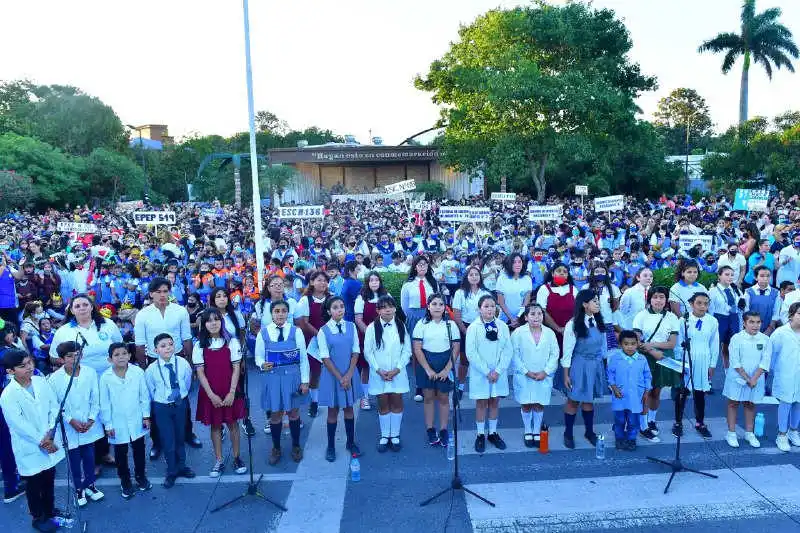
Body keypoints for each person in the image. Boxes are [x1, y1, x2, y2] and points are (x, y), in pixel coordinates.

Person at [133, 279, 199, 458]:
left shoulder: (179, 311)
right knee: (156, 403)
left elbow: (186, 338)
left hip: (177, 358)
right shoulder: (143, 315)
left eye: (165, 291)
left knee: (182, 398)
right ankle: (157, 442)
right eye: (159, 291)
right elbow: (139, 344)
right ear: (151, 293)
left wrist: (191, 366)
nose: (163, 295)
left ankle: (188, 434)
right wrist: (144, 367)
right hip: (154, 361)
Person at [0, 349, 64, 532]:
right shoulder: (8, 395)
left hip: (49, 438)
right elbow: (19, 424)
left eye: (30, 363)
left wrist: (51, 431)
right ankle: (38, 517)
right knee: (34, 484)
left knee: (49, 478)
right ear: (10, 371)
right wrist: (43, 441)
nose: (29, 368)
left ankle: (50, 510)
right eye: (22, 366)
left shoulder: (40, 381)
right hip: (30, 446)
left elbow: (54, 405)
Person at [49, 341, 105, 507]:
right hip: (70, 427)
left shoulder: (90, 372)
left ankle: (90, 485)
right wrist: (71, 421)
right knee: (74, 460)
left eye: (77, 354)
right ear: (61, 359)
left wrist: (92, 418)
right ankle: (78, 488)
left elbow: (96, 397)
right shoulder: (55, 379)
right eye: (69, 356)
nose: (74, 358)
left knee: (89, 457)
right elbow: (56, 404)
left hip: (88, 424)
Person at [193, 309, 247, 476]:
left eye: (216, 319)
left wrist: (232, 392)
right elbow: (200, 372)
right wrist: (211, 395)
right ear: (204, 325)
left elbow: (236, 368)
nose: (213, 323)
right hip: (211, 392)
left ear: (221, 322)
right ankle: (219, 459)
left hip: (229, 390)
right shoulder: (199, 345)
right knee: (216, 426)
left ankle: (237, 457)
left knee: (233, 424)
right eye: (209, 321)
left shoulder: (231, 342)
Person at [255, 300, 309, 465]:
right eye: (277, 311)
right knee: (276, 414)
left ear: (288, 313)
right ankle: (276, 447)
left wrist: (305, 381)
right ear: (271, 313)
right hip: (272, 378)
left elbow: (303, 358)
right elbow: (258, 356)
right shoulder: (263, 333)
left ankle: (296, 446)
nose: (280, 314)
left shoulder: (296, 331)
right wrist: (261, 364)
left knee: (293, 413)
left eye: (283, 311)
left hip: (292, 378)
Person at [99, 342, 152, 500]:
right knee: (121, 453)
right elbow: (104, 402)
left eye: (124, 353)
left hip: (137, 419)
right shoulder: (105, 377)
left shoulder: (137, 372)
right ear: (110, 359)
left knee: (139, 450)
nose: (121, 357)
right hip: (117, 423)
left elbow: (144, 396)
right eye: (116, 355)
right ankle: (125, 481)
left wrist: (146, 416)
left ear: (129, 355)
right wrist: (108, 424)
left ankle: (141, 476)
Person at [144, 333, 195, 488]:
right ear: (155, 350)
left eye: (170, 344)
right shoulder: (151, 369)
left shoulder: (183, 363)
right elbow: (150, 390)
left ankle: (182, 466)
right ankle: (171, 470)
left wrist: (180, 396)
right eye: (163, 346)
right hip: (162, 406)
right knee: (168, 439)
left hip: (180, 404)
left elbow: (187, 381)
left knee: (180, 436)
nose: (167, 348)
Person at [363, 295, 411, 452]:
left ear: (395, 308)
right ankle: (385, 435)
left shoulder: (401, 326)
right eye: (383, 307)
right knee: (383, 402)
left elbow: (407, 350)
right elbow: (368, 352)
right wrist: (378, 370)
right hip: (379, 374)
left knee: (397, 401)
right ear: (378, 311)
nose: (388, 309)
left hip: (398, 372)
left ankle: (395, 435)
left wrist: (397, 369)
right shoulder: (371, 328)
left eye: (390, 306)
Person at [316, 297, 361, 462]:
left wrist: (349, 375)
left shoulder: (351, 326)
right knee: (333, 411)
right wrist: (340, 377)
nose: (340, 310)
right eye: (335, 307)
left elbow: (356, 350)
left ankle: (350, 442)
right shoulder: (323, 331)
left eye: (342, 306)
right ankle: (331, 446)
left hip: (349, 373)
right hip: (332, 375)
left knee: (349, 408)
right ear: (329, 311)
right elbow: (325, 357)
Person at [560, 289, 607, 449]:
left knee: (589, 400)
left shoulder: (599, 322)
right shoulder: (572, 324)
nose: (598, 303)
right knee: (573, 400)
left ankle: (589, 431)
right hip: (579, 364)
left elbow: (603, 347)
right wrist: (566, 375)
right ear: (584, 304)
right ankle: (568, 433)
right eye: (594, 301)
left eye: (598, 300)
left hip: (595, 364)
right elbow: (566, 353)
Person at [632, 286, 679, 442]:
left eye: (661, 297)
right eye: (655, 297)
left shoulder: (672, 317)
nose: (658, 300)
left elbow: (672, 343)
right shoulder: (641, 316)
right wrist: (653, 351)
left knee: (657, 391)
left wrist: (651, 345)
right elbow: (637, 341)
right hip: (647, 357)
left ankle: (652, 420)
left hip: (664, 357)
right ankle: (643, 426)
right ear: (649, 299)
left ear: (666, 300)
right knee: (646, 391)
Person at [465, 295, 512, 453]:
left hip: (498, 372)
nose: (490, 309)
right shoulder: (473, 327)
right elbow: (471, 352)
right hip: (481, 373)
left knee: (494, 401)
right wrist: (486, 371)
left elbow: (507, 350)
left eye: (492, 306)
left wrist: (498, 370)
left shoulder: (502, 326)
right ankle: (480, 434)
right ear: (479, 309)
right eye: (486, 306)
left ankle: (492, 432)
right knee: (481, 402)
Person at [413, 293, 458, 447]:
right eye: (434, 304)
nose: (437, 307)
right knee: (429, 397)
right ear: (428, 306)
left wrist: (447, 369)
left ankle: (444, 429)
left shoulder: (450, 325)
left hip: (444, 363)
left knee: (444, 398)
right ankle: (430, 429)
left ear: (445, 307)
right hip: (427, 364)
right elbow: (417, 348)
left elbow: (455, 348)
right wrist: (427, 369)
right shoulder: (422, 324)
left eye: (441, 304)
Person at [511, 303, 559, 448]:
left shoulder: (549, 333)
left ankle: (537, 430)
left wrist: (546, 371)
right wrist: (526, 371)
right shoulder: (518, 333)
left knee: (539, 403)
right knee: (526, 403)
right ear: (526, 317)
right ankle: (528, 430)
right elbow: (514, 355)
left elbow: (554, 354)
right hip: (525, 375)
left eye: (539, 314)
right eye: (532, 314)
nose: (536, 317)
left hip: (543, 375)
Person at [722, 312, 771, 449]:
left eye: (758, 322)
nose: (755, 325)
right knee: (733, 403)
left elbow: (765, 361)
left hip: (756, 378)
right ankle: (731, 433)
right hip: (737, 377)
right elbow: (735, 362)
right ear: (744, 323)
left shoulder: (765, 339)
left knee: (750, 404)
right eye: (751, 322)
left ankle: (749, 433)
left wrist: (754, 379)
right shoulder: (736, 338)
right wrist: (747, 378)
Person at [674, 292, 719, 439]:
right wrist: (680, 362)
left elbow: (714, 344)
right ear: (691, 304)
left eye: (706, 303)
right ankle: (678, 422)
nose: (702, 306)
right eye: (699, 303)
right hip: (687, 360)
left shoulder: (712, 321)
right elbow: (678, 342)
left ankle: (700, 422)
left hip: (703, 359)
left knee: (700, 393)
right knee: (683, 393)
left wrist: (712, 365)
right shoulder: (683, 321)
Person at [401, 255, 439, 402]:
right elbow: (404, 305)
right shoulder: (408, 284)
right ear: (415, 267)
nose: (422, 267)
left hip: (431, 316)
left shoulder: (432, 282)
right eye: (419, 264)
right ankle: (419, 385)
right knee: (417, 352)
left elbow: (437, 300)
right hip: (414, 317)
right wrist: (413, 317)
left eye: (425, 264)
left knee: (432, 349)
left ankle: (433, 381)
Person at [536, 263, 578, 391]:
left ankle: (566, 386)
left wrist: (568, 327)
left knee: (567, 358)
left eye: (565, 271)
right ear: (552, 273)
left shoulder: (573, 289)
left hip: (569, 332)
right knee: (549, 359)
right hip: (550, 331)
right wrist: (558, 328)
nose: (562, 273)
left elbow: (578, 310)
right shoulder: (544, 289)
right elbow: (542, 311)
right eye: (558, 271)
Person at [607, 331, 652, 451]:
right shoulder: (615, 358)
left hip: (636, 396)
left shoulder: (642, 359)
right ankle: (620, 438)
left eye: (633, 344)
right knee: (620, 419)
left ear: (637, 344)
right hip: (620, 395)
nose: (630, 347)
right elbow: (610, 374)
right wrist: (614, 387)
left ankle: (632, 438)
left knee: (633, 420)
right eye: (626, 344)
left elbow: (647, 376)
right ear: (620, 345)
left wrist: (647, 391)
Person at [294, 271, 331, 420]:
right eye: (319, 280)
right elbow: (304, 322)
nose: (322, 283)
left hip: (330, 339)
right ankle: (313, 402)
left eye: (325, 281)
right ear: (312, 282)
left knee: (331, 369)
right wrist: (319, 335)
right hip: (311, 340)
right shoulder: (305, 300)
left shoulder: (331, 298)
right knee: (314, 371)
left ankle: (333, 400)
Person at [451, 266, 491, 398]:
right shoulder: (460, 293)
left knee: (483, 357)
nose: (474, 277)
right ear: (466, 277)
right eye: (471, 274)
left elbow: (491, 311)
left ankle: (484, 385)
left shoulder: (486, 293)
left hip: (483, 326)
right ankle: (460, 386)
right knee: (464, 360)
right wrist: (465, 330)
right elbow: (456, 313)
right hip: (465, 327)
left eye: (476, 274)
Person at [768, 302, 800, 452]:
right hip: (785, 374)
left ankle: (793, 431)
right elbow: (771, 355)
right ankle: (781, 435)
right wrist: (777, 371)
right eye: (799, 314)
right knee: (786, 402)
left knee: (798, 403)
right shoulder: (780, 333)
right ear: (791, 315)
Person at [354, 272, 388, 411]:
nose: (374, 282)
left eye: (376, 280)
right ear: (367, 283)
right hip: (366, 336)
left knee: (383, 366)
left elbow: (390, 315)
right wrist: (370, 334)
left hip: (385, 337)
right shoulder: (361, 298)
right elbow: (358, 319)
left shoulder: (386, 297)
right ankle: (365, 397)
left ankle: (383, 396)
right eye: (371, 280)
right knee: (367, 368)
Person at [709, 265, 743, 370]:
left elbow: (741, 308)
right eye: (727, 274)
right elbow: (710, 311)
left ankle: (728, 372)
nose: (730, 277)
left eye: (732, 275)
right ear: (719, 276)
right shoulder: (712, 291)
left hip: (733, 319)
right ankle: (709, 374)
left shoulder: (736, 289)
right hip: (719, 319)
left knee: (730, 348)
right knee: (714, 348)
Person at [495, 253, 533, 329]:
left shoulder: (527, 279)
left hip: (521, 318)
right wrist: (511, 319)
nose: (517, 264)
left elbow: (526, 302)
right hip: (504, 318)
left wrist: (518, 318)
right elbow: (501, 302)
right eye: (514, 262)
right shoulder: (502, 278)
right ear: (509, 264)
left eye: (519, 262)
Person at [743, 266, 780, 334]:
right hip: (751, 327)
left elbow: (776, 313)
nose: (765, 278)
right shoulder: (748, 292)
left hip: (769, 328)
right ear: (756, 277)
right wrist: (752, 328)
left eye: (768, 276)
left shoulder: (776, 292)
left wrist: (769, 329)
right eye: (762, 276)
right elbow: (746, 311)